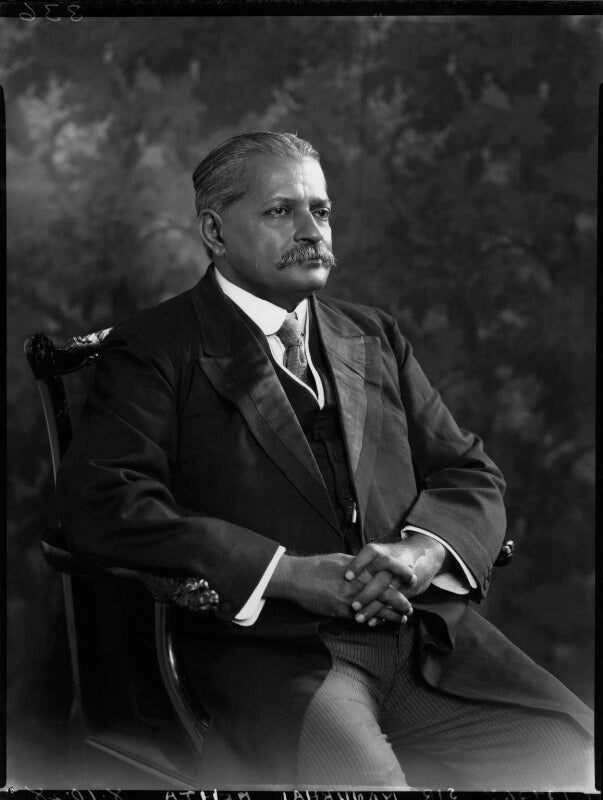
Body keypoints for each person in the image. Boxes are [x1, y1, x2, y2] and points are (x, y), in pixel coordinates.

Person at [56, 131, 594, 790]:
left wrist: (422, 552)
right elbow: (105, 502)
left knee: (577, 758)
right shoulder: (155, 348)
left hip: (423, 634)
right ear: (215, 232)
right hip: (273, 652)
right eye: (281, 211)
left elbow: (467, 470)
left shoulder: (371, 333)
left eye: (321, 210)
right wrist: (287, 573)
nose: (311, 231)